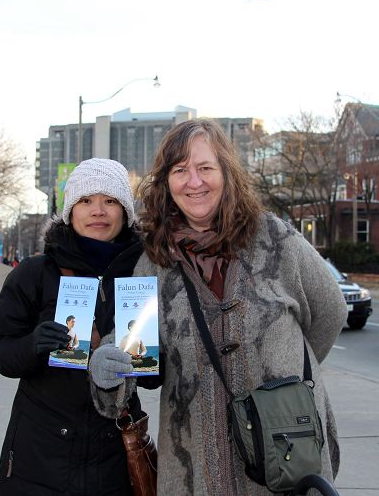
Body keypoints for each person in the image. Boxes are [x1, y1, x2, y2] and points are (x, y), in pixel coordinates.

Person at [89, 119, 348, 495]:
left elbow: (330, 313)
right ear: (166, 183)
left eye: (205, 168)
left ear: (226, 172)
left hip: (287, 462)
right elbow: (132, 352)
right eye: (180, 170)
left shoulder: (277, 240)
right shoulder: (153, 263)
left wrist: (285, 374)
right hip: (193, 469)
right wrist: (106, 371)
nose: (194, 182)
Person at [0, 158, 146, 496]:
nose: (98, 210)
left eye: (110, 201)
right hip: (39, 457)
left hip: (112, 459)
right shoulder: (34, 272)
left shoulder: (143, 276)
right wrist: (33, 345)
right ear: (70, 211)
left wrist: (146, 365)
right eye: (86, 201)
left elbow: (160, 372)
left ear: (126, 212)